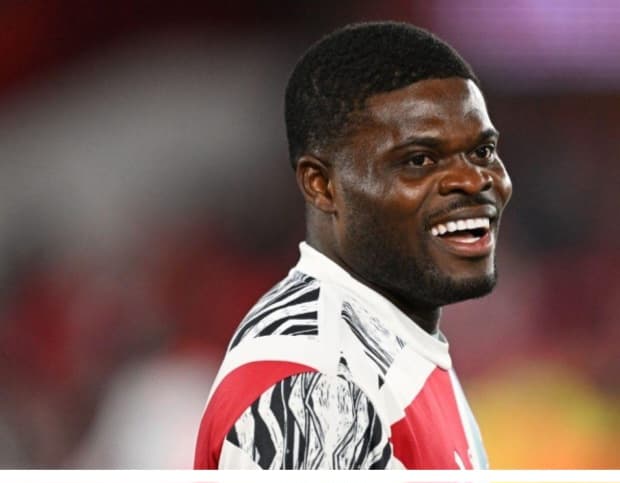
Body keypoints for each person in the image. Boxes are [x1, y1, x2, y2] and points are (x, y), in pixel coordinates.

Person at [194, 21, 512, 470]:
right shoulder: (319, 392)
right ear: (322, 185)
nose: (474, 180)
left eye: (482, 152)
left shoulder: (390, 344)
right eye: (419, 160)